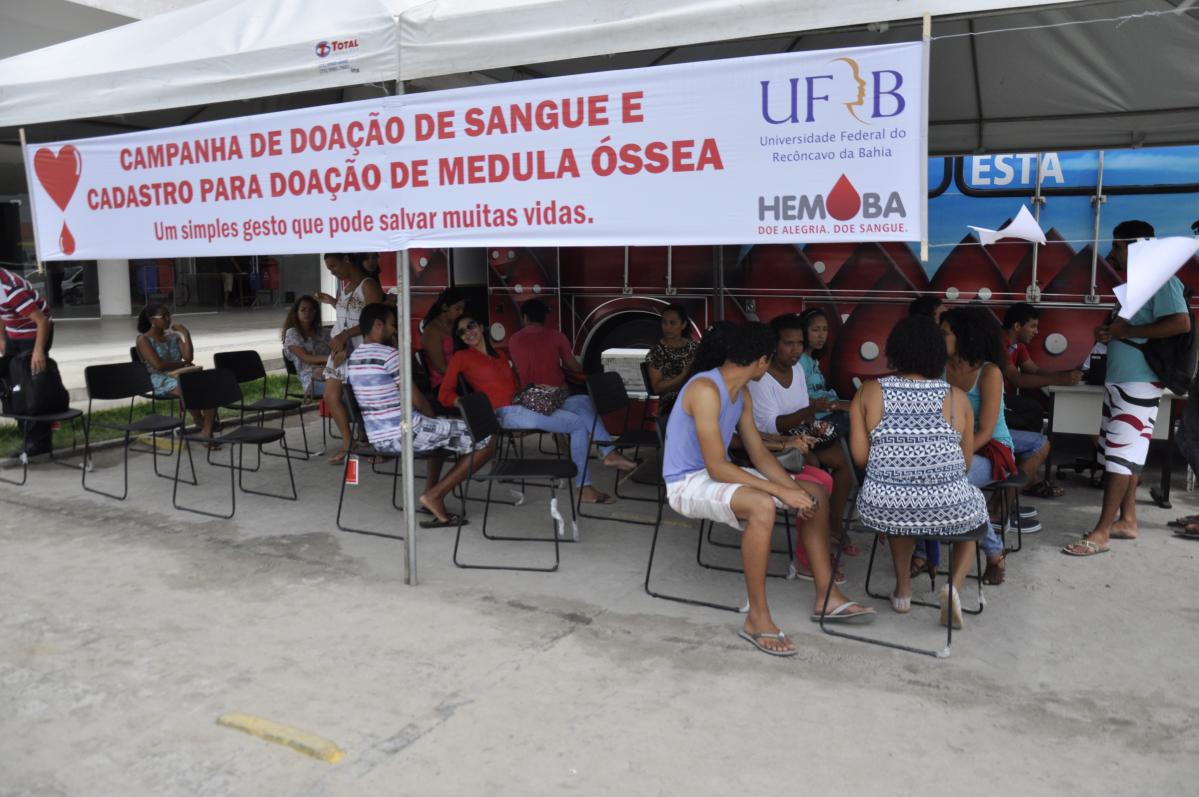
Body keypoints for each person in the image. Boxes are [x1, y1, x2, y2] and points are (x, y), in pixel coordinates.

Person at [664, 321, 874, 657]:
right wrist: (779, 492)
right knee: (762, 504)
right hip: (687, 481)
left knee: (815, 494)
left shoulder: (741, 393)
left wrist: (791, 489)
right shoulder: (705, 389)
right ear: (762, 360)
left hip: (716, 473)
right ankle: (757, 619)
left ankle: (827, 597)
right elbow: (716, 466)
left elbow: (760, 454)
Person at [1064, 220, 1191, 556]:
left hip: (1139, 380)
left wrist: (1124, 333)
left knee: (1120, 457)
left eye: (1117, 246)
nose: (1113, 253)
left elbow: (1181, 322)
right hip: (1123, 380)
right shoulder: (1138, 283)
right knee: (1122, 453)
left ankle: (1102, 532)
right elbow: (1124, 328)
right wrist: (1109, 332)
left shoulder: (1161, 278)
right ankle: (1127, 520)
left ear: (1135, 245)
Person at [851, 315, 988, 625]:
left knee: (899, 504)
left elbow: (860, 458)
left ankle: (903, 591)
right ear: (938, 354)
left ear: (894, 351)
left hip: (882, 506)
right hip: (948, 506)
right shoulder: (956, 398)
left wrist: (897, 470)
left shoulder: (869, 391)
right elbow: (965, 464)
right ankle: (953, 588)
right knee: (976, 508)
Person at [439, 313, 637, 505]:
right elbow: (444, 394)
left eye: (471, 326)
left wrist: (533, 389)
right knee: (576, 424)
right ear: (460, 338)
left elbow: (513, 387)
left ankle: (608, 451)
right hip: (505, 413)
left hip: (521, 402)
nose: (468, 332)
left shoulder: (500, 354)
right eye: (462, 332)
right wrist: (471, 405)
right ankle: (583, 488)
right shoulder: (461, 357)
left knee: (582, 401)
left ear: (481, 327)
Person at [347, 303, 495, 528]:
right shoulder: (390, 355)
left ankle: (430, 492)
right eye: (392, 325)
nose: (394, 330)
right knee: (486, 436)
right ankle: (435, 495)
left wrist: (434, 423)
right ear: (378, 325)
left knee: (442, 430)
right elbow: (418, 400)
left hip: (378, 438)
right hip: (405, 433)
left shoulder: (353, 358)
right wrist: (431, 418)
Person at [747, 313, 858, 565]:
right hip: (773, 443)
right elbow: (773, 426)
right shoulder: (762, 378)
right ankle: (811, 545)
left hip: (800, 434)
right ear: (774, 345)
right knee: (814, 466)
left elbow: (802, 409)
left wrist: (813, 425)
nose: (796, 349)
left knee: (845, 463)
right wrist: (810, 412)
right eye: (788, 343)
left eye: (799, 343)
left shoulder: (797, 370)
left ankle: (833, 525)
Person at [942, 307, 1016, 584]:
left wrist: (953, 457)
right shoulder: (940, 369)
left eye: (945, 333)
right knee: (937, 481)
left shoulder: (989, 372)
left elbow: (985, 430)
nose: (939, 338)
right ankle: (928, 552)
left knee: (952, 483)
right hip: (952, 449)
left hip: (992, 449)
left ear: (964, 336)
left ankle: (993, 550)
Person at [1000, 302, 1081, 500]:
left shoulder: (1018, 345)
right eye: (1033, 326)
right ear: (1017, 326)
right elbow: (1017, 379)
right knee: (1032, 411)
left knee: (1033, 410)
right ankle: (1027, 475)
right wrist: (1059, 379)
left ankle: (1027, 470)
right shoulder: (999, 343)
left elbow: (1033, 369)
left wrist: (1063, 374)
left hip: (1005, 399)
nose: (1036, 332)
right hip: (994, 400)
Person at [316, 252, 384, 464]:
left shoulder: (368, 285)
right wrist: (333, 302)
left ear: (346, 259)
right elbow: (347, 315)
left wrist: (346, 335)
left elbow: (376, 320)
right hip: (341, 350)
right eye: (329, 269)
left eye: (333, 266)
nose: (332, 272)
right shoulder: (345, 287)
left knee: (369, 400)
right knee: (331, 395)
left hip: (362, 349)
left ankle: (382, 446)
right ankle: (348, 443)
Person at [135, 303, 216, 439]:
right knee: (190, 390)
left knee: (210, 387)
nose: (168, 319)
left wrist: (185, 333)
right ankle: (202, 422)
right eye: (163, 316)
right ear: (152, 320)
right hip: (160, 378)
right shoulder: (143, 339)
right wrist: (182, 364)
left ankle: (206, 430)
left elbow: (189, 357)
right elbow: (159, 365)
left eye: (169, 315)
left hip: (181, 375)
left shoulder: (173, 337)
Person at [0, 266, 55, 457]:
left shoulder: (10, 287)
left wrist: (38, 351)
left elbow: (42, 321)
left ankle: (40, 442)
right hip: (14, 333)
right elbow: (1, 311)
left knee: (33, 388)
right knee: (13, 386)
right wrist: (2, 338)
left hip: (34, 334)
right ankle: (27, 434)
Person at [798, 309, 851, 438]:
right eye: (815, 330)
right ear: (803, 332)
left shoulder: (812, 360)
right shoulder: (800, 360)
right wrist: (836, 405)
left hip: (830, 412)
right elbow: (796, 400)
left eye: (825, 330)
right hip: (818, 419)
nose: (821, 335)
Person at [507, 298, 582, 389]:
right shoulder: (558, 336)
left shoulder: (513, 340)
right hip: (556, 391)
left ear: (525, 317)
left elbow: (514, 370)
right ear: (544, 317)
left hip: (528, 393)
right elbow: (574, 367)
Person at [644, 304, 699, 417]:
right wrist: (682, 376)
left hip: (696, 396)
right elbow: (656, 388)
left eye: (672, 323)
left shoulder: (694, 347)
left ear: (683, 325)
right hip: (672, 404)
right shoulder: (656, 352)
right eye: (664, 323)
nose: (667, 327)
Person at [281, 295, 331, 397]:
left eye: (311, 310)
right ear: (296, 312)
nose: (307, 313)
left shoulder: (324, 332)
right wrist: (331, 358)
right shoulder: (292, 333)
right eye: (303, 310)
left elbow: (338, 349)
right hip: (311, 378)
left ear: (316, 312)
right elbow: (306, 358)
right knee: (342, 387)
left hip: (331, 372)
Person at [419, 288, 467, 390]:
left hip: (459, 376)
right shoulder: (432, 331)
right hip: (443, 383)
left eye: (462, 309)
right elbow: (441, 367)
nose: (461, 312)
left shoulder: (455, 325)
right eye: (457, 309)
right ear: (445, 307)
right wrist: (466, 372)